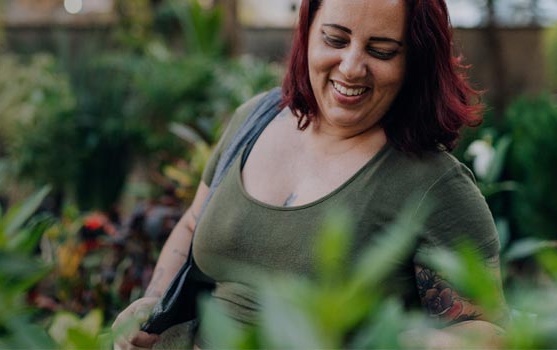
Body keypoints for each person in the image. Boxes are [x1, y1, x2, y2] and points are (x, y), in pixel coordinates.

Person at [109, 0, 504, 348]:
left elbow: (488, 333)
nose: (351, 67)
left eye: (382, 51)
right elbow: (193, 223)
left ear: (413, 61)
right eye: (335, 39)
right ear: (308, 33)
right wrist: (154, 299)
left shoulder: (434, 183)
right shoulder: (254, 120)